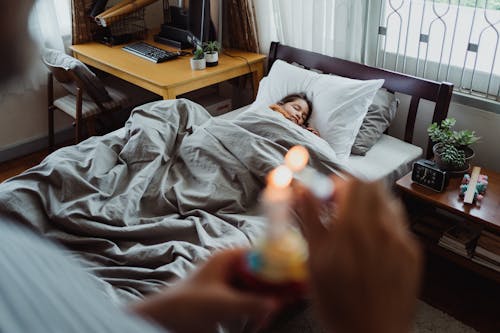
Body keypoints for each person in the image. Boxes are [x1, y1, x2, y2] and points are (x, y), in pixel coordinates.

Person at [0, 1, 422, 332]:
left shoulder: (303, 138)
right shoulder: (258, 116)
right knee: (177, 108)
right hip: (210, 145)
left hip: (241, 160)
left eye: (301, 114)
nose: (294, 115)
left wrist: (171, 310)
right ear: (275, 104)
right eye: (290, 106)